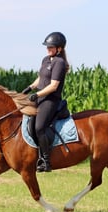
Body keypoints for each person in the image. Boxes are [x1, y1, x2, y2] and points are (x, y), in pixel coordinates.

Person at [22, 31, 69, 172]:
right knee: (27, 120)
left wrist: (37, 95)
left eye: (51, 46)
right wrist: (29, 87)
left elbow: (53, 85)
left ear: (59, 48)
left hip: (50, 100)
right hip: (40, 97)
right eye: (47, 46)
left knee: (39, 127)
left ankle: (46, 162)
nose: (48, 48)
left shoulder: (60, 63)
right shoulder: (46, 60)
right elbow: (41, 78)